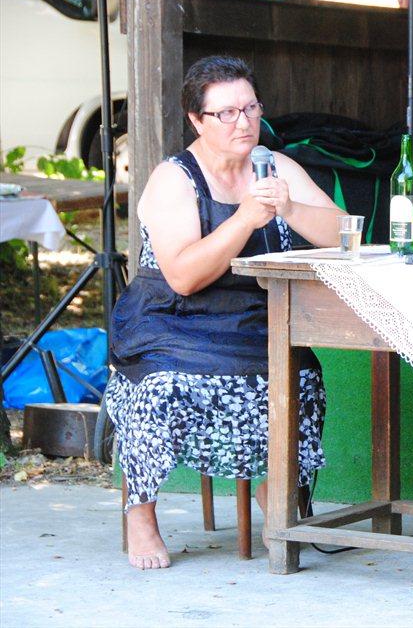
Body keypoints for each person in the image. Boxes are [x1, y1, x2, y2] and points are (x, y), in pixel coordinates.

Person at [105, 55, 346, 570]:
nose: (244, 122)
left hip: (253, 321)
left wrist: (290, 208)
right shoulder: (174, 178)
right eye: (227, 113)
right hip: (172, 322)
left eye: (251, 108)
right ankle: (140, 512)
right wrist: (245, 219)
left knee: (303, 379)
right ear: (197, 120)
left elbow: (346, 234)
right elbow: (183, 276)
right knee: (162, 388)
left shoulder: (274, 166)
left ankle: (275, 489)